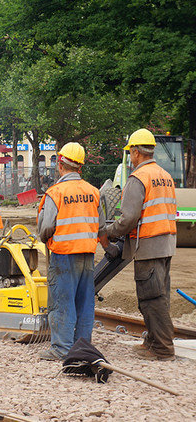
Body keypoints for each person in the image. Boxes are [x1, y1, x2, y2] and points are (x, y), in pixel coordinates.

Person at [100, 129, 177, 361]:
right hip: (166, 243)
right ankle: (152, 342)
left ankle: (163, 349)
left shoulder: (138, 177)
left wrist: (109, 232)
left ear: (135, 152)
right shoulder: (164, 175)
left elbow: (128, 219)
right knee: (160, 294)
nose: (130, 158)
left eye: (130, 153)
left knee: (150, 298)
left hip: (148, 245)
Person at [37, 142, 105, 361]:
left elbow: (46, 227)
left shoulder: (55, 192)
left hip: (64, 254)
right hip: (87, 255)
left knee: (61, 301)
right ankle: (82, 346)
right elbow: (101, 225)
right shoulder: (93, 192)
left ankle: (62, 349)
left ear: (60, 164)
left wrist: (46, 238)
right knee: (84, 302)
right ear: (80, 167)